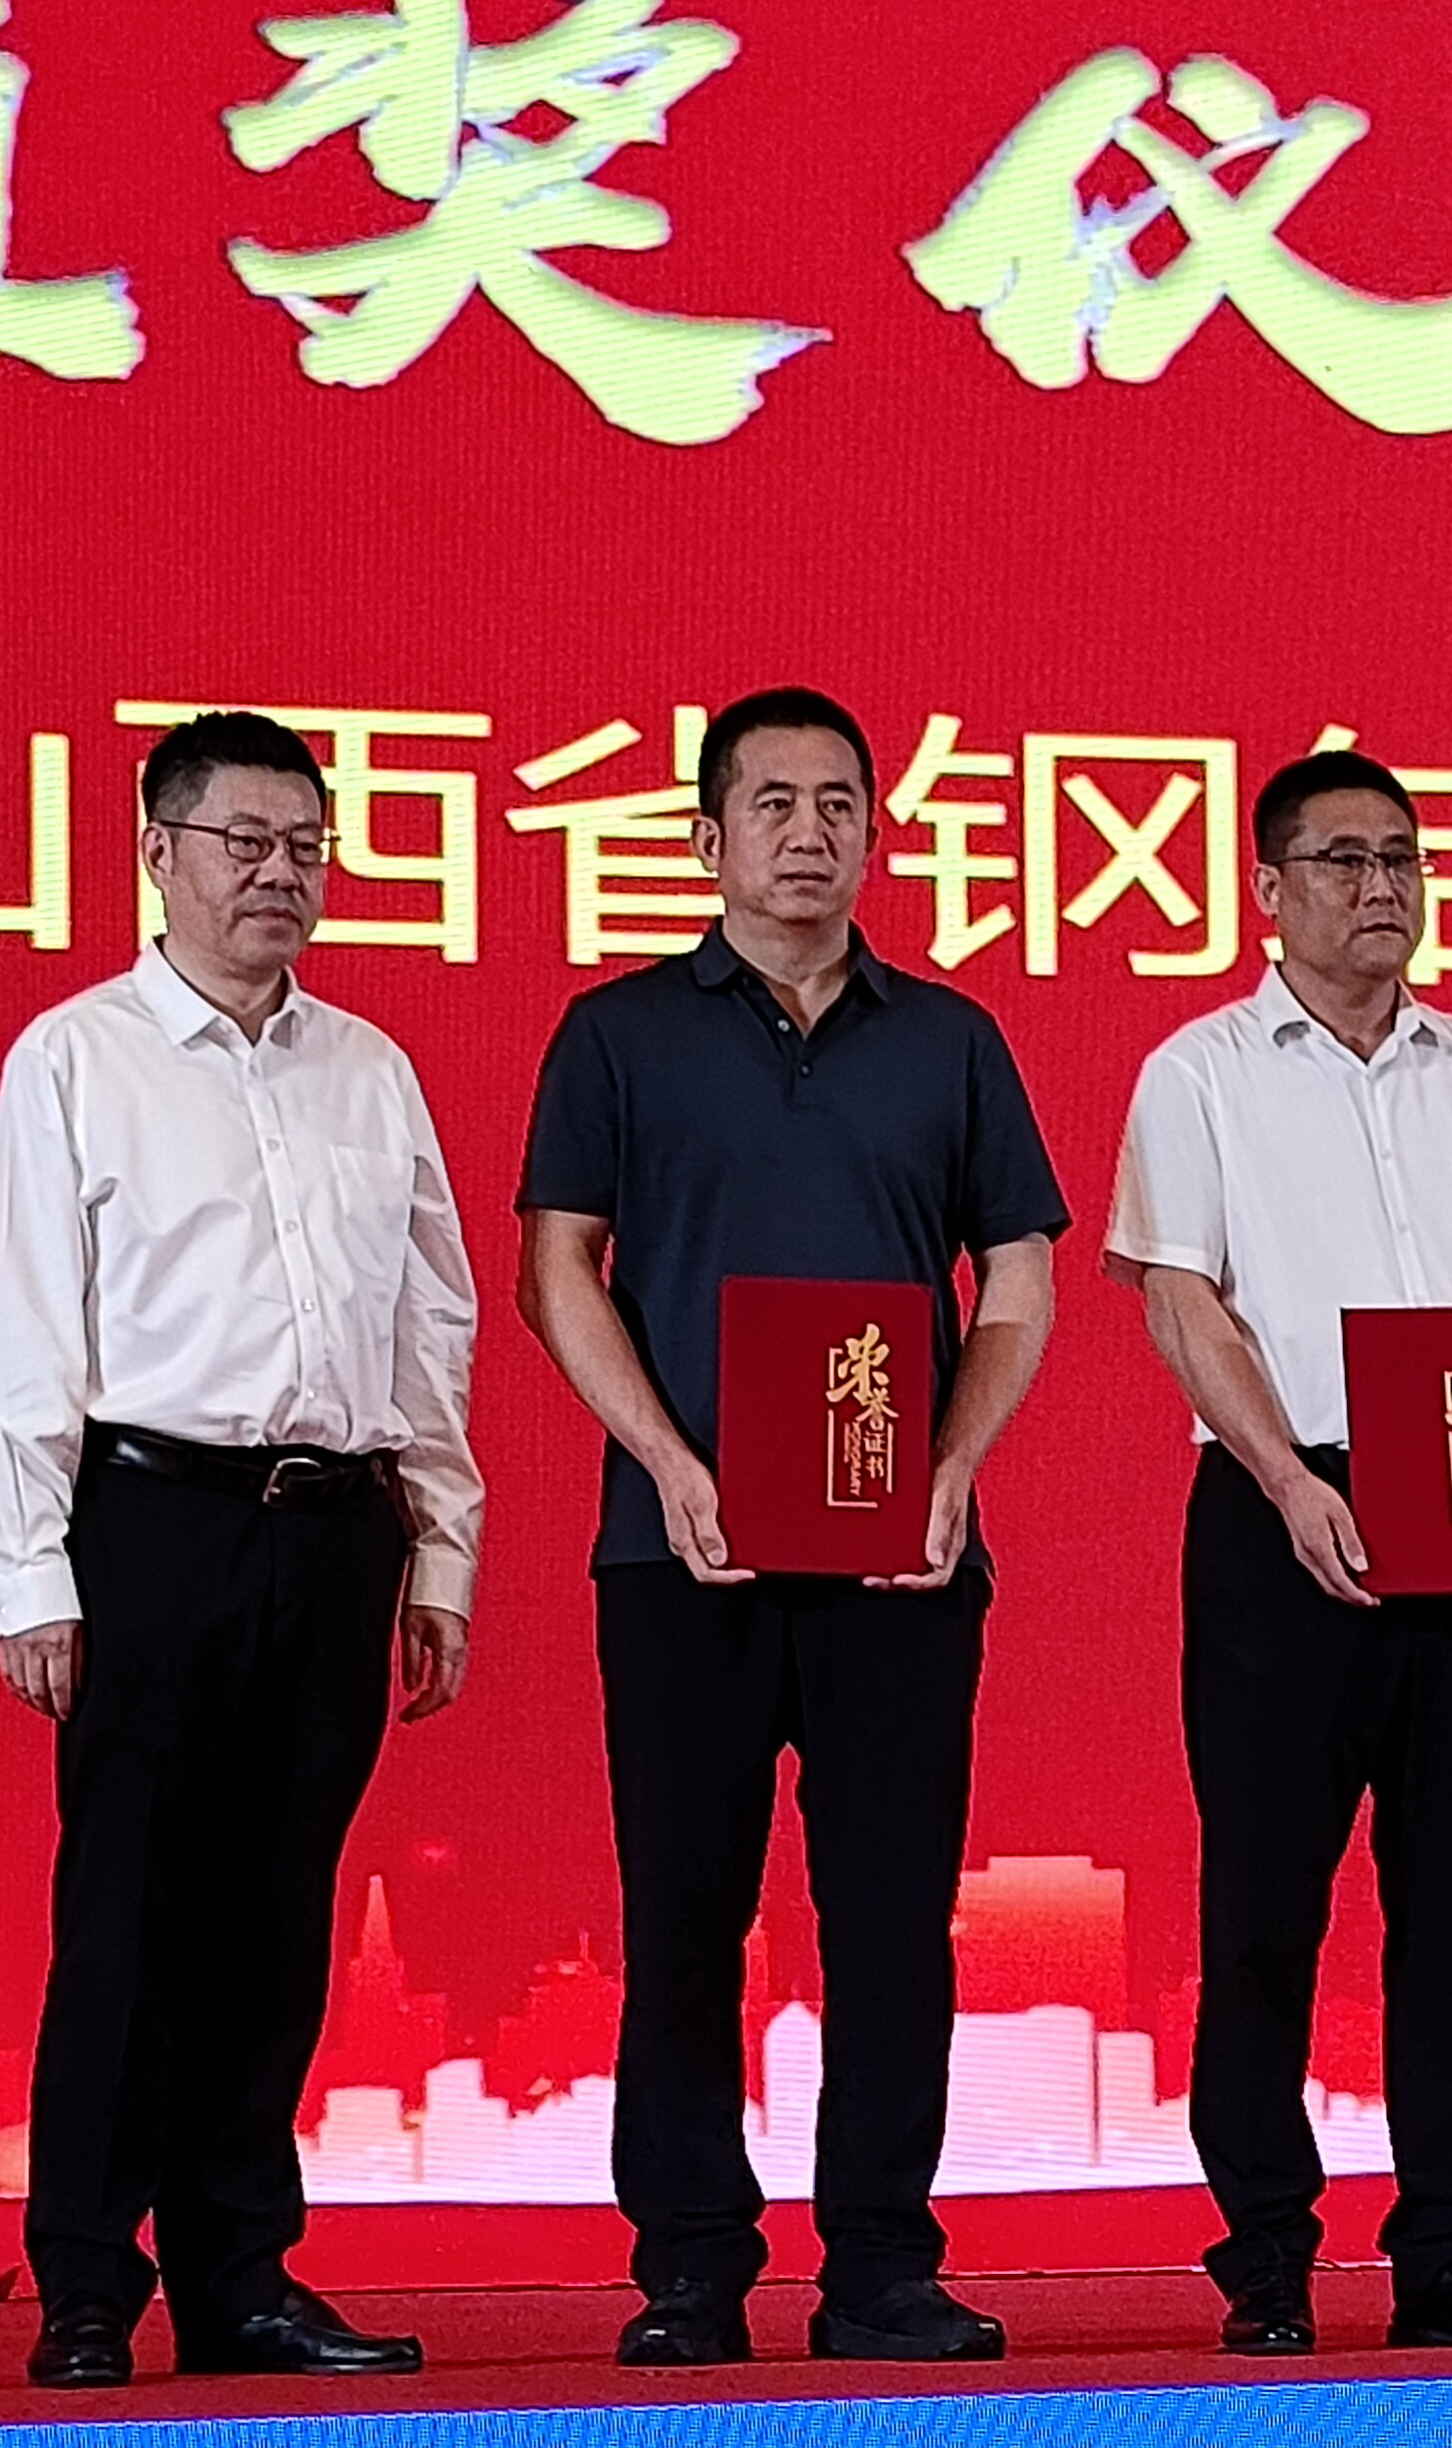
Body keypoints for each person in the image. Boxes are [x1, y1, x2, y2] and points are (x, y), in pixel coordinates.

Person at [515, 686, 1067, 2366]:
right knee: (685, 1916)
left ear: (877, 835)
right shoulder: (618, 1034)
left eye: (840, 805)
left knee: (891, 1921)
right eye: (773, 803)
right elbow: (558, 1271)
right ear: (707, 837)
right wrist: (668, 1464)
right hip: (679, 1551)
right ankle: (691, 2268)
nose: (809, 834)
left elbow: (1018, 1279)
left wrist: (954, 1464)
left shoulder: (950, 1040)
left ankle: (882, 2266)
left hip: (902, 1556)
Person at [0, 711, 482, 2389]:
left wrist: (440, 1551)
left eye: (305, 847)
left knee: (278, 1919)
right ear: (157, 852)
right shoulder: (75, 1059)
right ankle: (87, 2282)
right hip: (155, 1526)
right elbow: (25, 1333)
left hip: (335, 1535)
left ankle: (241, 2278)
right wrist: (29, 1571)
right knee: (128, 1913)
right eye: (243, 842)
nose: (280, 874)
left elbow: (431, 1329)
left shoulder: (370, 1069)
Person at [1106, 748, 1452, 2357]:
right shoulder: (1200, 1072)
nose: (1381, 887)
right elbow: (1182, 1300)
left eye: (1401, 859)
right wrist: (1284, 1479)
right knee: (1265, 1904)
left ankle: (1451, 2250)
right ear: (1267, 890)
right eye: (1343, 861)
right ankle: (1266, 2253)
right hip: (1285, 1515)